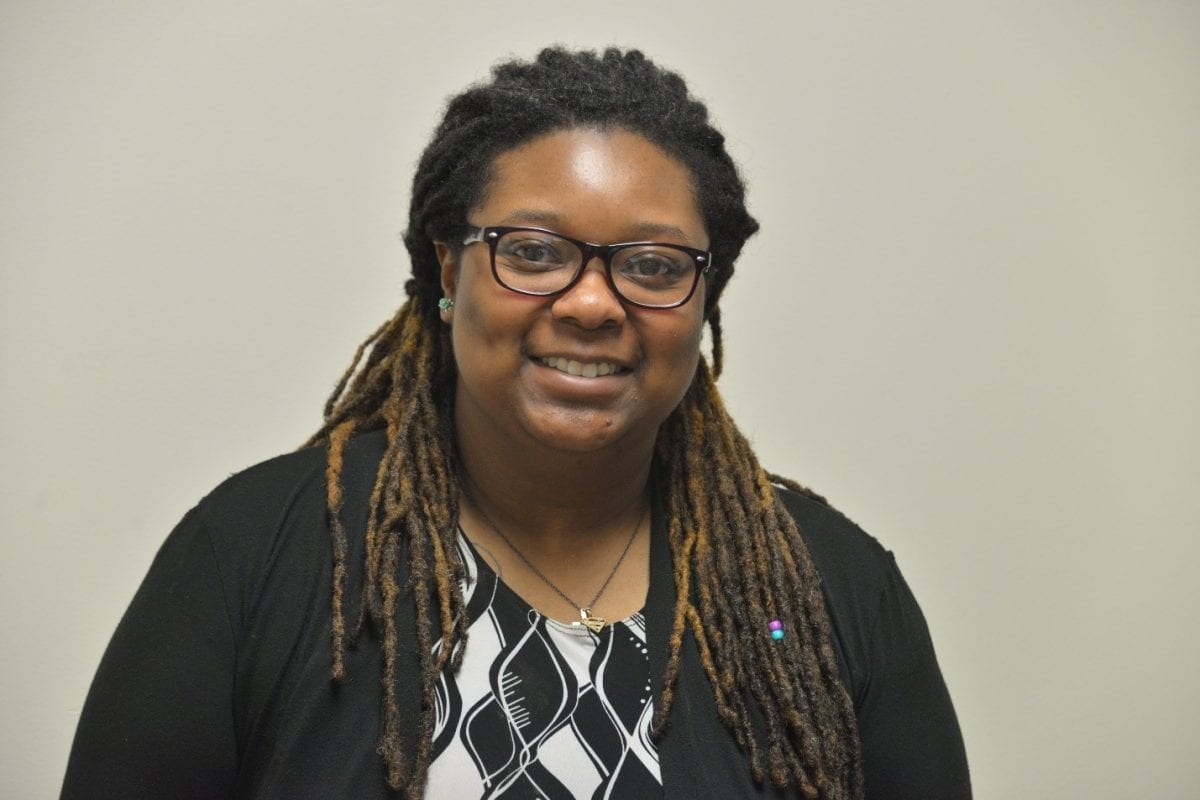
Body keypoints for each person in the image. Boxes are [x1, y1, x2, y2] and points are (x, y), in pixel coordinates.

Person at [61, 47, 971, 800]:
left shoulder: (828, 588)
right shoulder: (254, 557)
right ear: (447, 271)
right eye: (532, 252)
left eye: (652, 266)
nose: (590, 303)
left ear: (704, 302)